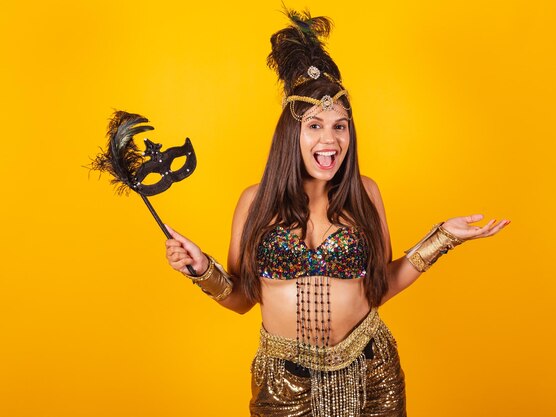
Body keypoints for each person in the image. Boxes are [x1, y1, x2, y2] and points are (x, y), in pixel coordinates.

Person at [164, 9, 509, 417]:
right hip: (282, 382)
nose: (330, 139)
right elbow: (241, 299)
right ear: (292, 134)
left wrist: (443, 239)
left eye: (340, 126)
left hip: (371, 372)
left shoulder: (365, 193)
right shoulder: (254, 202)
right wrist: (201, 269)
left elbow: (382, 286)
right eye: (315, 125)